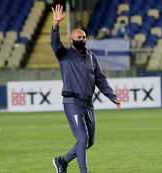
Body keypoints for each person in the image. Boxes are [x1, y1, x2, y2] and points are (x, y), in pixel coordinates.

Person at [51, 4, 121, 173]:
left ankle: (62, 161)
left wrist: (112, 96)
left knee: (89, 142)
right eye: (78, 37)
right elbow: (54, 42)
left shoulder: (91, 57)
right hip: (72, 101)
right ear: (70, 39)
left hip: (88, 104)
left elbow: (100, 79)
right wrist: (55, 25)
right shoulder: (64, 54)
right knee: (82, 139)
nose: (82, 39)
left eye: (83, 37)